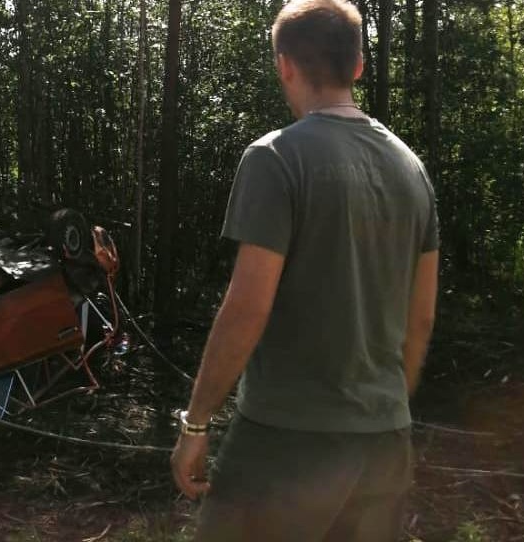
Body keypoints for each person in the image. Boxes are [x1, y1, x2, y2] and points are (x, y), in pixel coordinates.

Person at [169, 0, 439, 539]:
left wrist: (196, 424)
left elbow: (247, 308)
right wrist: (382, 413)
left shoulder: (275, 158)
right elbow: (422, 318)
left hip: (285, 442)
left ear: (284, 65)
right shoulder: (412, 170)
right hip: (385, 444)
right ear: (357, 66)